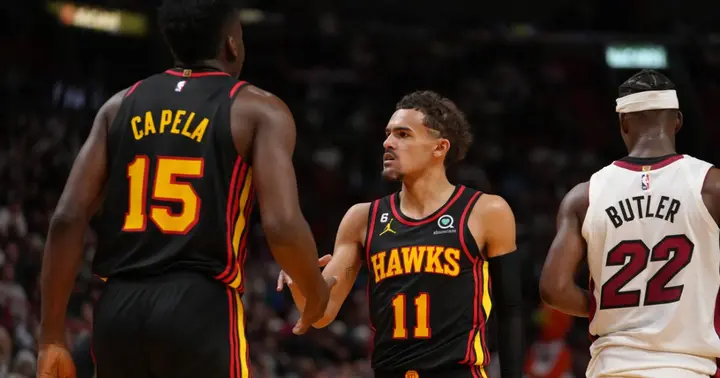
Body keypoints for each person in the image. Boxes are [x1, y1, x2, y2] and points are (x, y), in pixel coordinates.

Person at [37, 0, 334, 377]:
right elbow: (281, 226)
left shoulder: (117, 106)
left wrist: (51, 337)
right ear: (231, 44)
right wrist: (316, 291)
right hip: (199, 304)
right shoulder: (258, 109)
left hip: (118, 307)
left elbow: (66, 218)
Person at [278, 91, 524, 378]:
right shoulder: (362, 218)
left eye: (403, 134)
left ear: (439, 147)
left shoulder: (485, 211)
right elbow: (320, 314)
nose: (388, 143)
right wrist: (302, 283)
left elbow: (511, 311)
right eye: (388, 134)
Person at [540, 69, 720, 378]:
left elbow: (554, 290)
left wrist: (608, 307)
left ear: (623, 122)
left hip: (612, 367)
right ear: (677, 120)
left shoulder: (584, 196)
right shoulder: (711, 186)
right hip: (688, 368)